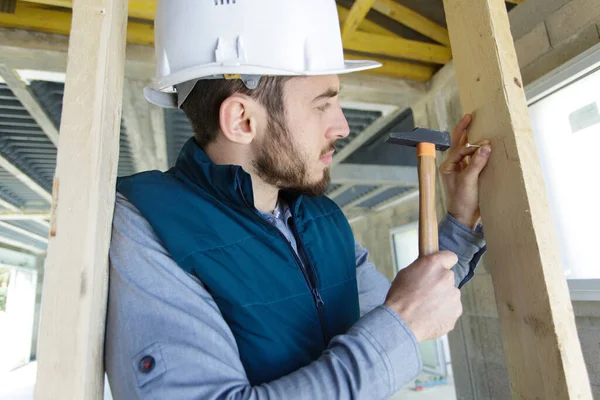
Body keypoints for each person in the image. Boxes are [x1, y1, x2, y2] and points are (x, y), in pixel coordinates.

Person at [105, 1, 491, 399]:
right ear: (242, 120)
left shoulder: (323, 219)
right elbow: (401, 324)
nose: (341, 126)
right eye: (323, 104)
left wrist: (460, 224)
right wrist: (404, 324)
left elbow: (408, 309)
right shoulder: (147, 223)